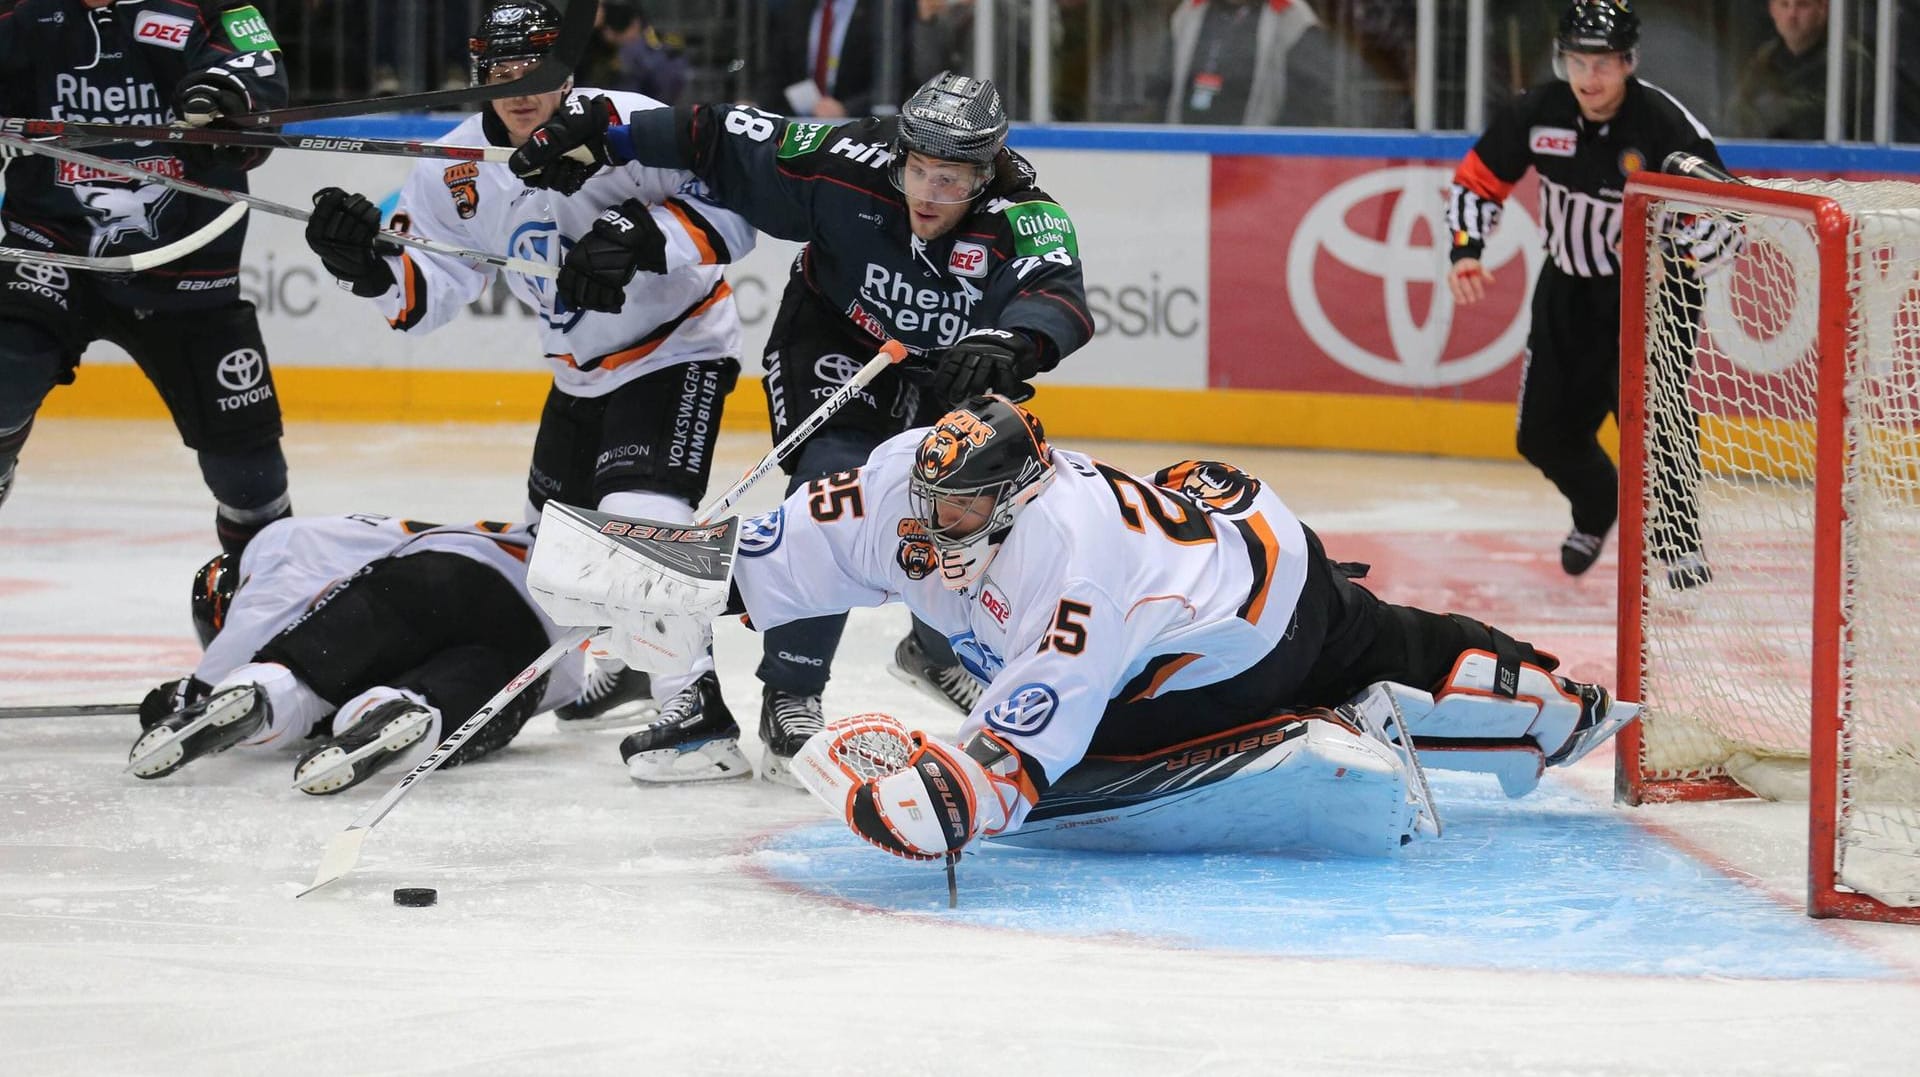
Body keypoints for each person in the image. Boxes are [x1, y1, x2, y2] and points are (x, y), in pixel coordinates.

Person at [524, 395, 1639, 859]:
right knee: (1385, 631)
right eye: (929, 496)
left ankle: (1425, 718)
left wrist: (951, 798)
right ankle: (1554, 704)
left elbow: (1025, 752)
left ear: (1010, 504)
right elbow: (762, 564)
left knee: (1100, 754)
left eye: (960, 511)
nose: (931, 522)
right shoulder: (901, 482)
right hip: (1243, 549)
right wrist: (645, 576)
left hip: (1239, 638)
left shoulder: (1068, 557)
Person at [506, 70, 1094, 785]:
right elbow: (719, 135)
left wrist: (1014, 344)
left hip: (953, 373)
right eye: (918, 170)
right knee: (836, 489)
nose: (927, 196)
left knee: (962, 515)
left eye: (951, 180)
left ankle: (938, 650)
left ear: (989, 170)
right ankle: (792, 696)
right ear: (900, 152)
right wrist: (609, 135)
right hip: (835, 344)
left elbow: (1055, 295)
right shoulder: (848, 160)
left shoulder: (1025, 214)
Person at [300, 0, 757, 730]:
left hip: (678, 345)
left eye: (535, 71)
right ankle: (608, 673)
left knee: (638, 522)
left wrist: (638, 236)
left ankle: (695, 708)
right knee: (553, 569)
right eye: (499, 72)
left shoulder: (628, 121)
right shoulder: (454, 166)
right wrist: (363, 262)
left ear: (566, 69)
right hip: (577, 371)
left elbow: (733, 209)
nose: (517, 89)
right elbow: (426, 295)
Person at [1444, 0, 1721, 589]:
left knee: (1656, 422)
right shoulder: (1540, 111)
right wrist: (1466, 250)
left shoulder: (1664, 125)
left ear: (1628, 63)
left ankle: (1677, 540)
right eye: (1576, 62)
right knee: (1540, 433)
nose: (1588, 79)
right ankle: (1597, 505)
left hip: (1654, 294)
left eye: (1601, 65)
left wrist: (1696, 243)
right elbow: (1479, 178)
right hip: (1567, 288)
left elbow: (1721, 212)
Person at [0, 0, 293, 555]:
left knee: (251, 481)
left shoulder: (215, 7)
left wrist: (230, 104)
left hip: (187, 262)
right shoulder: (25, 13)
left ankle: (267, 602)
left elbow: (258, 77)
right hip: (53, 246)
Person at [128, 512, 586, 794]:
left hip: (425, 582)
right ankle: (394, 709)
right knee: (448, 695)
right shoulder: (351, 535)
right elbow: (564, 689)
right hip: (528, 635)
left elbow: (259, 617)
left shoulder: (276, 544)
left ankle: (265, 694)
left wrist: (194, 693)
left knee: (299, 679)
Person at [1155, 0, 1335, 127]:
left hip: (1257, 160)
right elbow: (1161, 90)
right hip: (1185, 155)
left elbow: (1304, 110)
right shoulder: (1189, 11)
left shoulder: (1293, 18)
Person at [1728, 0, 1871, 141]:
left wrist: (1774, 110)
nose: (1792, 15)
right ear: (1772, 10)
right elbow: (1737, 111)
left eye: (1803, 5)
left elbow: (1819, 118)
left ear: (1823, 9)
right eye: (1784, 4)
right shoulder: (1766, 57)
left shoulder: (1847, 60)